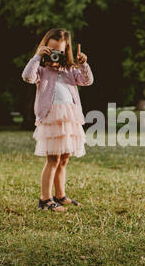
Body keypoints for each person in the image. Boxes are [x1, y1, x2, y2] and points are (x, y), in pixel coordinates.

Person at [22, 28, 94, 212]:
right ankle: (44, 199)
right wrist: (37, 57)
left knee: (64, 159)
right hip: (52, 119)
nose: (55, 55)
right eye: (51, 50)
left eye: (59, 51)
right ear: (45, 48)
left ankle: (60, 195)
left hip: (70, 118)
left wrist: (83, 64)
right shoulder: (41, 69)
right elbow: (27, 77)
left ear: (65, 51)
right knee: (53, 159)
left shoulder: (70, 70)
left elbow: (87, 82)